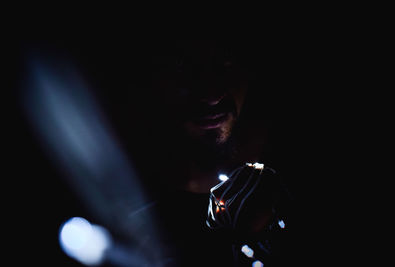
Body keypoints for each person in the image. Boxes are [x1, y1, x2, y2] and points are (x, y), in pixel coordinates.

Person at [18, 38, 297, 266]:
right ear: (140, 76)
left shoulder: (292, 150)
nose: (212, 92)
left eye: (225, 62)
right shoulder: (105, 202)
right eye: (181, 67)